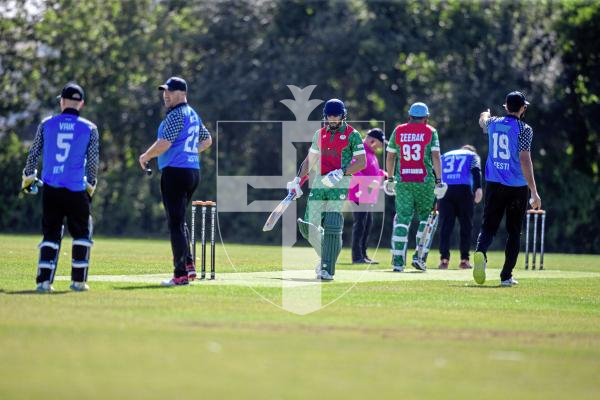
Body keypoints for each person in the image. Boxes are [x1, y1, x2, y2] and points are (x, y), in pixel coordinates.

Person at [21, 82, 99, 293]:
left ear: (62, 101)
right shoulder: (90, 128)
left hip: (51, 188)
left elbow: (34, 153)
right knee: (82, 234)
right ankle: (78, 282)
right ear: (81, 103)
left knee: (51, 235)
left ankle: (44, 282)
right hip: (76, 189)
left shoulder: (47, 124)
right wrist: (91, 186)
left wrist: (28, 178)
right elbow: (92, 163)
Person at [139, 77, 212, 286]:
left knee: (175, 224)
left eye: (169, 91)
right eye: (164, 91)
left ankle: (180, 275)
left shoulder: (176, 114)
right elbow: (207, 140)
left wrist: (146, 156)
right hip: (192, 172)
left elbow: (164, 143)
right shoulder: (193, 114)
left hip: (176, 172)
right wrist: (189, 151)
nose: (165, 95)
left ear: (182, 93)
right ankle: (188, 268)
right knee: (180, 222)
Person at [289, 99, 366, 280]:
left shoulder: (352, 135)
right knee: (308, 227)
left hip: (340, 183)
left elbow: (361, 162)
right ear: (324, 116)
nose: (332, 119)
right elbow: (310, 161)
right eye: (329, 116)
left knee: (332, 224)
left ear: (343, 116)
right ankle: (327, 256)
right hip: (319, 182)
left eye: (336, 116)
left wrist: (342, 172)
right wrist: (297, 180)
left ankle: (327, 268)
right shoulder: (319, 134)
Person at [474, 91, 541, 286]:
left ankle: (480, 251)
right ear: (523, 108)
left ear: (505, 106)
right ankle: (506, 276)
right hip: (517, 187)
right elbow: (525, 159)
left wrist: (484, 114)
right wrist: (534, 191)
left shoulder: (494, 123)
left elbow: (483, 121)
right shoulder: (525, 129)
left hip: (494, 183)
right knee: (514, 232)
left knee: (488, 226)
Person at [384, 102, 445, 272]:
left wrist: (390, 178)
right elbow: (436, 157)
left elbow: (390, 157)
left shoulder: (398, 130)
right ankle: (419, 257)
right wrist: (439, 180)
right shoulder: (430, 131)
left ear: (409, 116)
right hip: (425, 182)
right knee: (428, 218)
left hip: (403, 181)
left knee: (402, 219)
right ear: (426, 118)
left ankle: (397, 262)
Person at [437, 145, 483, 269]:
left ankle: (444, 260)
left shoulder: (446, 155)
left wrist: (436, 192)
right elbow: (476, 170)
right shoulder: (472, 155)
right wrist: (478, 188)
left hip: (445, 190)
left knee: (446, 227)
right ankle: (464, 260)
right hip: (464, 190)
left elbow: (434, 170)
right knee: (466, 226)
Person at [349, 128, 386, 264]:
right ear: (372, 140)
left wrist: (385, 175)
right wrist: (370, 182)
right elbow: (354, 172)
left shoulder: (371, 154)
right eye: (379, 143)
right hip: (358, 194)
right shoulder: (360, 151)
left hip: (367, 196)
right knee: (360, 225)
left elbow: (374, 171)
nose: (380, 146)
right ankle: (357, 257)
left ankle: (363, 255)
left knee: (367, 224)